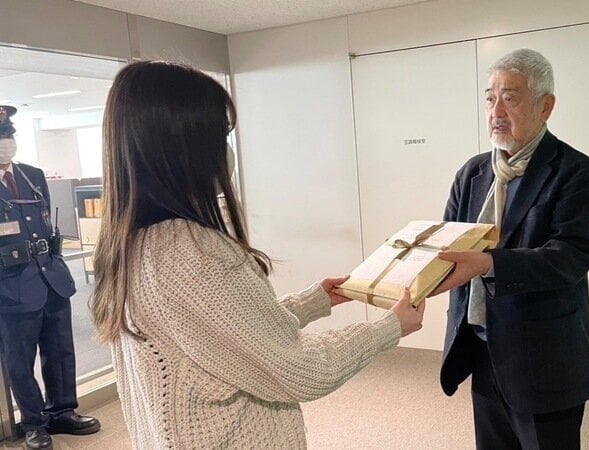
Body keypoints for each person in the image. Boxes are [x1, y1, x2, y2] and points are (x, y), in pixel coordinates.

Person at [89, 60, 426, 449]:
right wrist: (388, 327)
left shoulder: (131, 244)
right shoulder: (193, 252)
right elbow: (299, 369)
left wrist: (313, 301)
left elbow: (220, 333)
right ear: (186, 145)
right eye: (219, 133)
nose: (227, 150)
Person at [431, 49, 589, 449]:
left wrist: (487, 263)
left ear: (546, 106)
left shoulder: (576, 172)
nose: (496, 111)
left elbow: (570, 256)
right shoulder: (473, 173)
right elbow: (447, 240)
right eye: (490, 99)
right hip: (481, 346)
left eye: (510, 98)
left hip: (544, 355)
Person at [0, 105, 101, 450]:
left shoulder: (32, 175)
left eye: (8, 135)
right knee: (19, 361)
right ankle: (34, 423)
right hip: (10, 287)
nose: (5, 143)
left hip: (51, 278)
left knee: (60, 351)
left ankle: (62, 412)